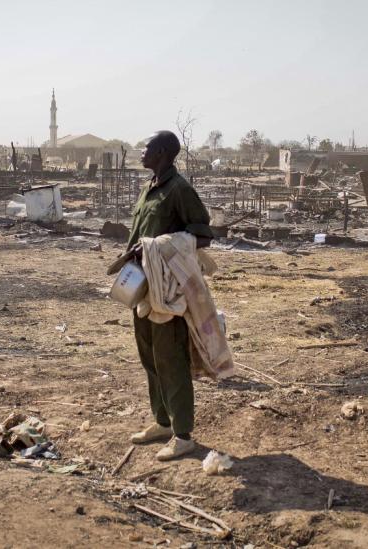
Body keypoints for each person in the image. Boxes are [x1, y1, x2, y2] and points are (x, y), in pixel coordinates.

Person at [126, 130, 213, 461]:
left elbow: (202, 234)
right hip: (141, 286)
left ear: (161, 152)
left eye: (146, 148)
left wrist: (160, 247)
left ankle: (183, 435)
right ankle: (162, 422)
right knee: (149, 356)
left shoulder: (180, 190)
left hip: (168, 291)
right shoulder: (149, 190)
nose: (141, 153)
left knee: (171, 358)